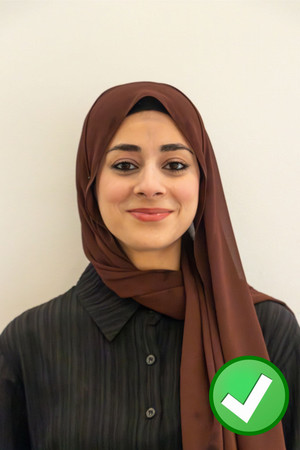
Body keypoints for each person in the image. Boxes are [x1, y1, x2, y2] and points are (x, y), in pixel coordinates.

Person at [0, 81, 299, 450]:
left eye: (174, 165)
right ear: (90, 184)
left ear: (202, 184)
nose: (150, 185)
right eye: (125, 165)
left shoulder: (266, 330)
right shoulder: (29, 342)